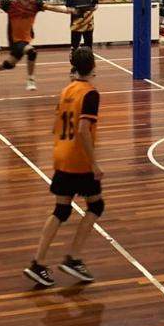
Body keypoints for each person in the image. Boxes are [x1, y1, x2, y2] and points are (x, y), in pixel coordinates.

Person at [23, 48, 106, 289]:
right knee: (96, 205)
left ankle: (37, 263)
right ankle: (74, 258)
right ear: (93, 66)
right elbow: (82, 130)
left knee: (61, 209)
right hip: (78, 160)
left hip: (60, 155)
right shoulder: (90, 94)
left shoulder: (66, 90)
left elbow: (54, 126)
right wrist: (94, 163)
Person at [0, 0, 75, 91]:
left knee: (9, 64)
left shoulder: (35, 5)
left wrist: (67, 11)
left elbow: (51, 7)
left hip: (26, 39)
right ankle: (30, 80)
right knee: (32, 52)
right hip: (15, 39)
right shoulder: (11, 4)